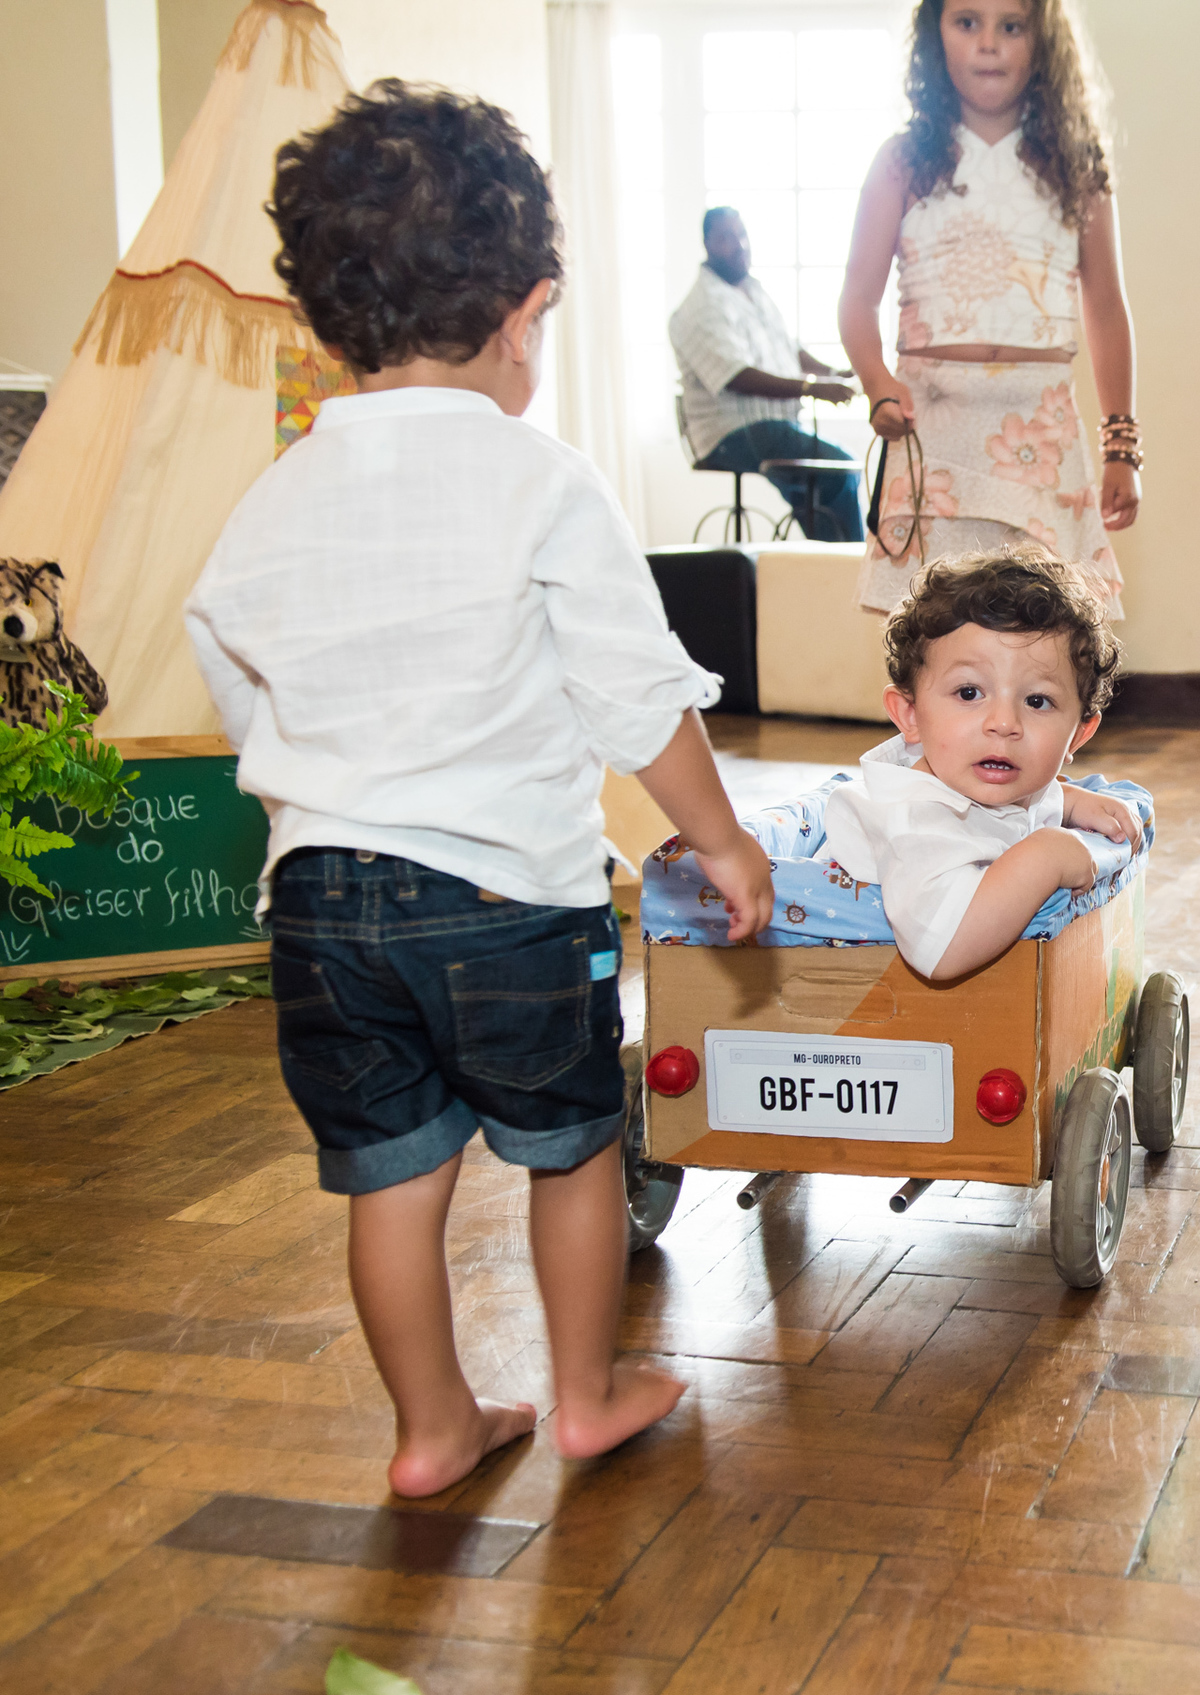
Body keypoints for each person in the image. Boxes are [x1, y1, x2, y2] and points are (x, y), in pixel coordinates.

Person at [185, 83, 775, 1498]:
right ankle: (582, 1393)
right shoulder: (541, 481)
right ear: (526, 311)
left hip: (324, 909)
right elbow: (639, 697)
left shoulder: (273, 498)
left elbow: (229, 668)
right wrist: (723, 838)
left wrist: (318, 802)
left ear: (325, 324)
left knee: (392, 1171)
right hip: (511, 898)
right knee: (571, 1151)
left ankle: (434, 1426)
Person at [839, 0, 1140, 614]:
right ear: (935, 35)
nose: (989, 44)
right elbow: (856, 297)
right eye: (967, 22)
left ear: (1042, 41)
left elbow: (1106, 307)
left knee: (1047, 630)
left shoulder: (1078, 167)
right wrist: (877, 383)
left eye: (1012, 26)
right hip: (934, 427)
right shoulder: (902, 162)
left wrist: (1121, 446)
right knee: (932, 633)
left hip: (1041, 429)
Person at [821, 545, 1141, 981]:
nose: (1004, 723)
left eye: (1037, 700)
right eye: (969, 693)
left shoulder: (994, 779)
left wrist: (1063, 799)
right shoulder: (915, 821)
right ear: (910, 716)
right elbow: (942, 952)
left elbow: (1018, 812)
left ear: (1079, 734)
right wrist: (1045, 856)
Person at [669, 207, 864, 542]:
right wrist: (814, 388)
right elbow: (738, 376)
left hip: (773, 428)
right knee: (839, 468)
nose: (739, 245)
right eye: (727, 237)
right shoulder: (701, 306)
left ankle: (825, 561)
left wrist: (836, 373)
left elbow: (792, 351)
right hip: (730, 434)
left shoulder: (754, 290)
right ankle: (845, 571)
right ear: (707, 243)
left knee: (821, 479)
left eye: (742, 234)